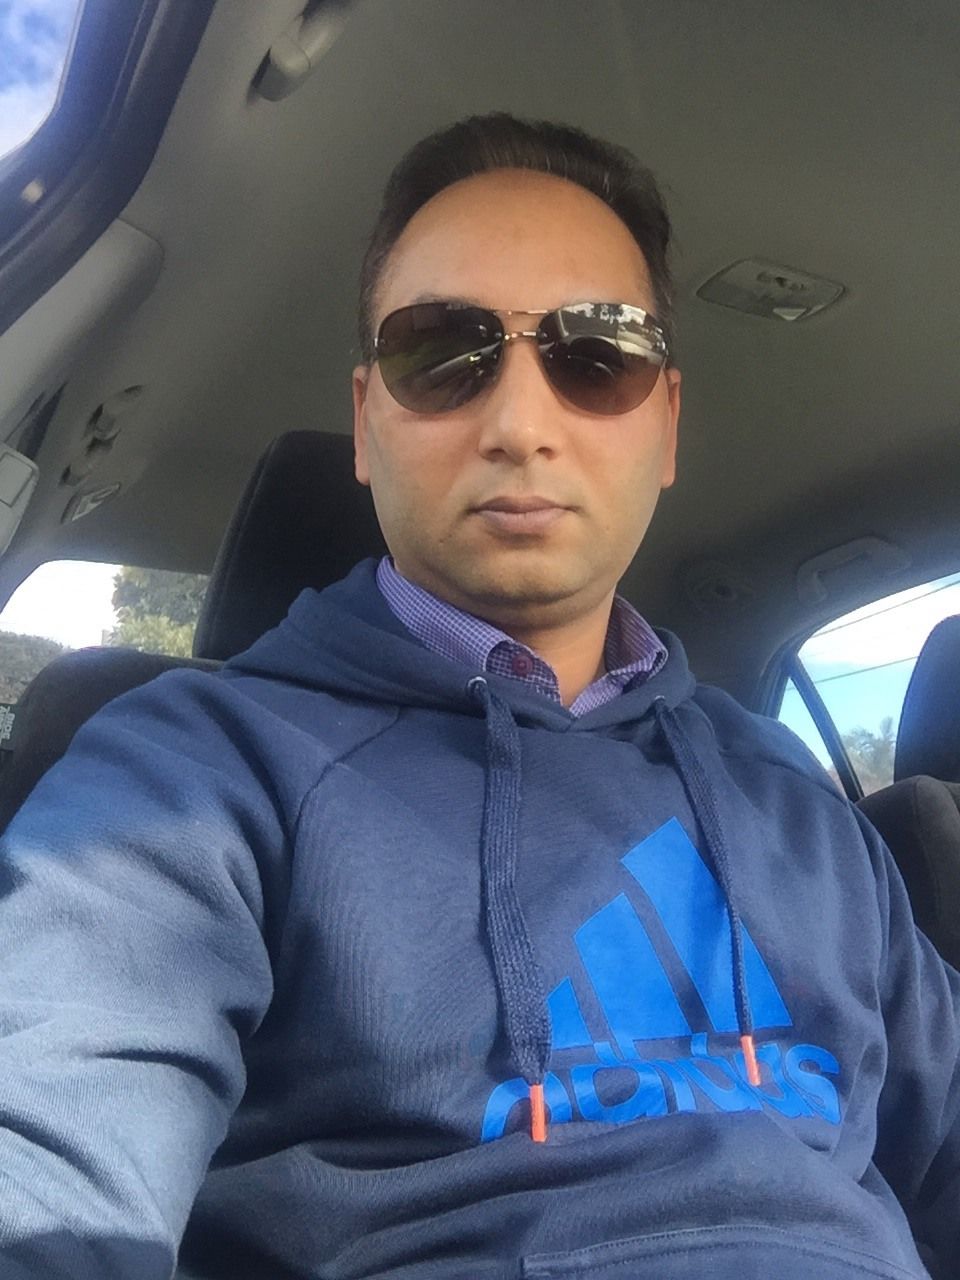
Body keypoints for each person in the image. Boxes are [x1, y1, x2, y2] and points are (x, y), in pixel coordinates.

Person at [0, 113, 957, 1280]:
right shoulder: (192, 776)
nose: (518, 424)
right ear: (367, 422)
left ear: (665, 424)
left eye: (596, 353)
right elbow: (44, 1158)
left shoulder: (792, 801)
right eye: (441, 351)